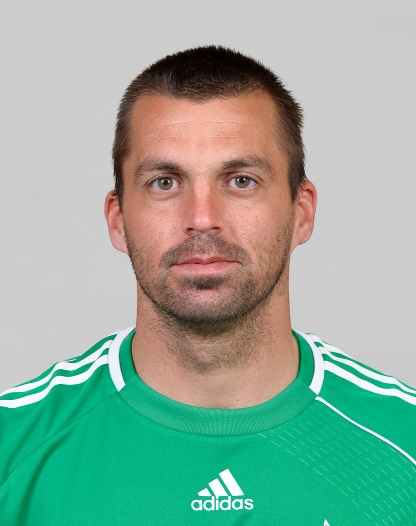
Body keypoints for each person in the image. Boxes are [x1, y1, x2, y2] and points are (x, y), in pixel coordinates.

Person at [0, 46, 415, 526]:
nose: (201, 218)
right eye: (164, 183)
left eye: (240, 181)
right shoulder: (13, 446)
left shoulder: (403, 443)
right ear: (117, 219)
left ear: (302, 212)